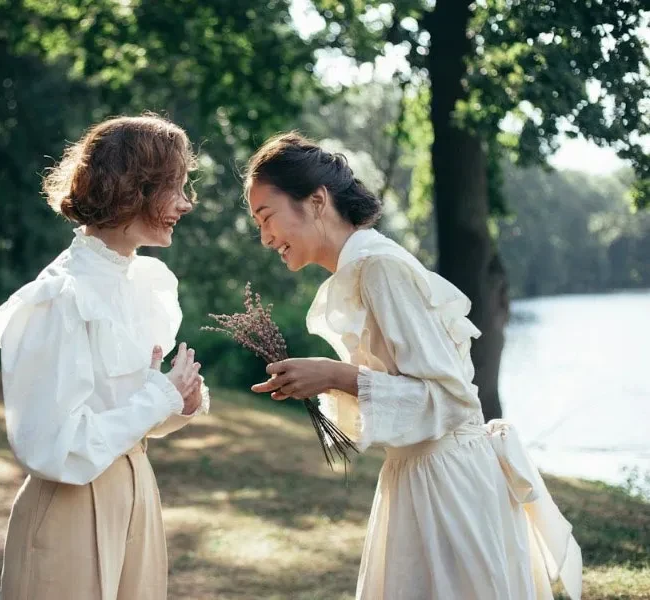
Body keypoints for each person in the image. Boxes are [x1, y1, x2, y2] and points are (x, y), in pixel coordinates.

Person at [246, 132, 581, 600]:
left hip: (448, 485)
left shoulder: (380, 269)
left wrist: (336, 375)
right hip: (419, 478)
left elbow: (452, 398)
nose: (264, 238)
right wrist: (329, 380)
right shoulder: (362, 269)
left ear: (317, 201)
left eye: (267, 217)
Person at [0, 114, 209, 600]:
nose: (186, 202)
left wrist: (179, 401)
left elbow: (131, 418)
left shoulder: (144, 285)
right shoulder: (57, 298)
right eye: (175, 186)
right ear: (134, 189)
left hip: (138, 496)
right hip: (72, 509)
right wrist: (156, 398)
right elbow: (53, 446)